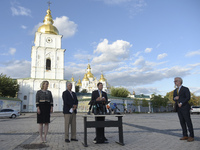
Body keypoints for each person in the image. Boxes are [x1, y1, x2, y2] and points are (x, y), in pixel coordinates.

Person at [173, 77, 194, 142]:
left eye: (175, 81)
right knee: (182, 122)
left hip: (185, 107)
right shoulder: (175, 90)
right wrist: (175, 98)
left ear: (179, 81)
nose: (174, 82)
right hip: (179, 109)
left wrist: (181, 103)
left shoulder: (185, 89)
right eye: (174, 81)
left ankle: (191, 136)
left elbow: (188, 97)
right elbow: (173, 98)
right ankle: (185, 135)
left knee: (188, 122)